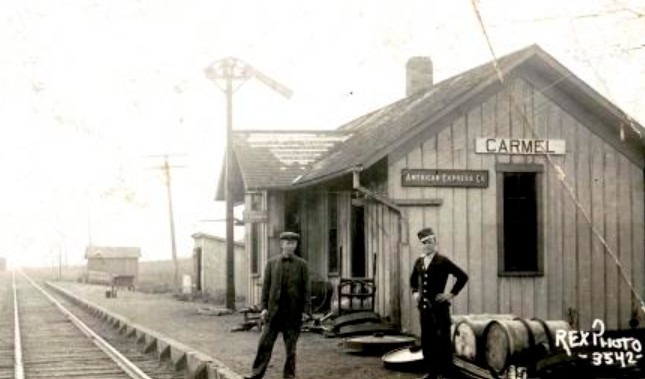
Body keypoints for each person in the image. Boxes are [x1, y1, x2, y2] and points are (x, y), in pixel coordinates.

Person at [245, 231, 311, 379]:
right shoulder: (271, 263)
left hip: (292, 314)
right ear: (282, 244)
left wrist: (306, 311)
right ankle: (256, 375)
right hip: (274, 313)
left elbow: (306, 290)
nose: (290, 246)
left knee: (291, 350)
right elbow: (266, 288)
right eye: (287, 243)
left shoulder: (302, 265)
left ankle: (289, 376)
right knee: (264, 345)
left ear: (296, 245)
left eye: (293, 243)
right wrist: (264, 308)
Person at [410, 227, 468, 379]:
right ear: (421, 245)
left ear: (435, 243)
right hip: (424, 308)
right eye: (424, 243)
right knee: (427, 340)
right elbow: (412, 280)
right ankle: (432, 372)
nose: (427, 245)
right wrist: (415, 292)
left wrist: (450, 294)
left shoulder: (442, 261)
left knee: (443, 341)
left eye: (430, 242)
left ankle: (447, 372)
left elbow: (462, 276)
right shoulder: (419, 262)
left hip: (439, 309)